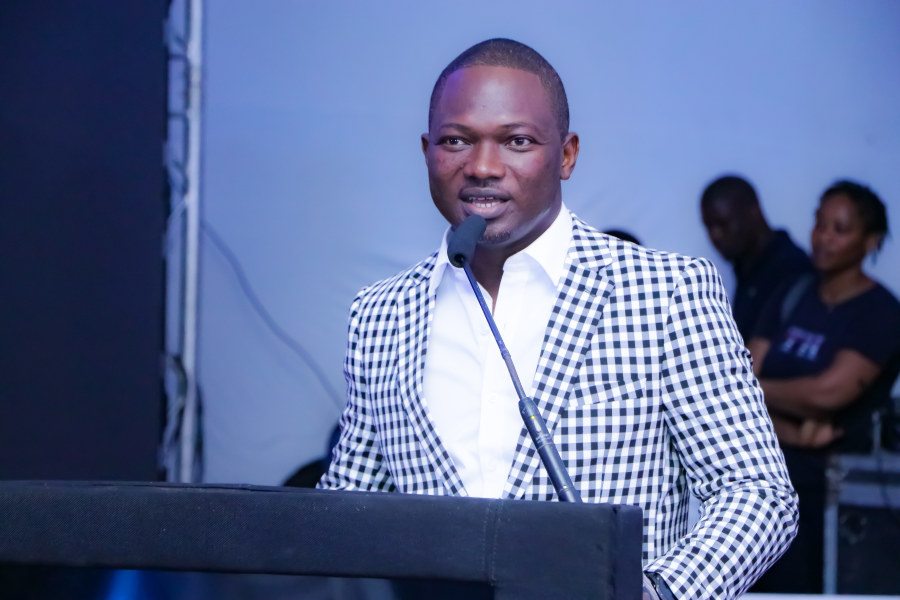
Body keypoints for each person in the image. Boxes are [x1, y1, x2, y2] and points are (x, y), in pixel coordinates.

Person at [319, 38, 797, 599]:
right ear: (427, 152)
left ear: (566, 155)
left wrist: (657, 595)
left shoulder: (664, 292)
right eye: (456, 141)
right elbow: (347, 512)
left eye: (517, 141)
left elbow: (757, 492)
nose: (483, 167)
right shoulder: (380, 315)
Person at [748, 180, 900, 593]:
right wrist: (792, 428)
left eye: (840, 229)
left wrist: (759, 392)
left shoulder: (880, 312)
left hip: (829, 501)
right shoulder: (792, 292)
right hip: (766, 487)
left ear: (870, 242)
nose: (824, 237)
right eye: (820, 224)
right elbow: (740, 382)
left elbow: (827, 394)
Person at [700, 175, 814, 343]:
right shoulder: (745, 266)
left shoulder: (792, 269)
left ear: (753, 212)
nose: (715, 235)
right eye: (709, 226)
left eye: (723, 224)